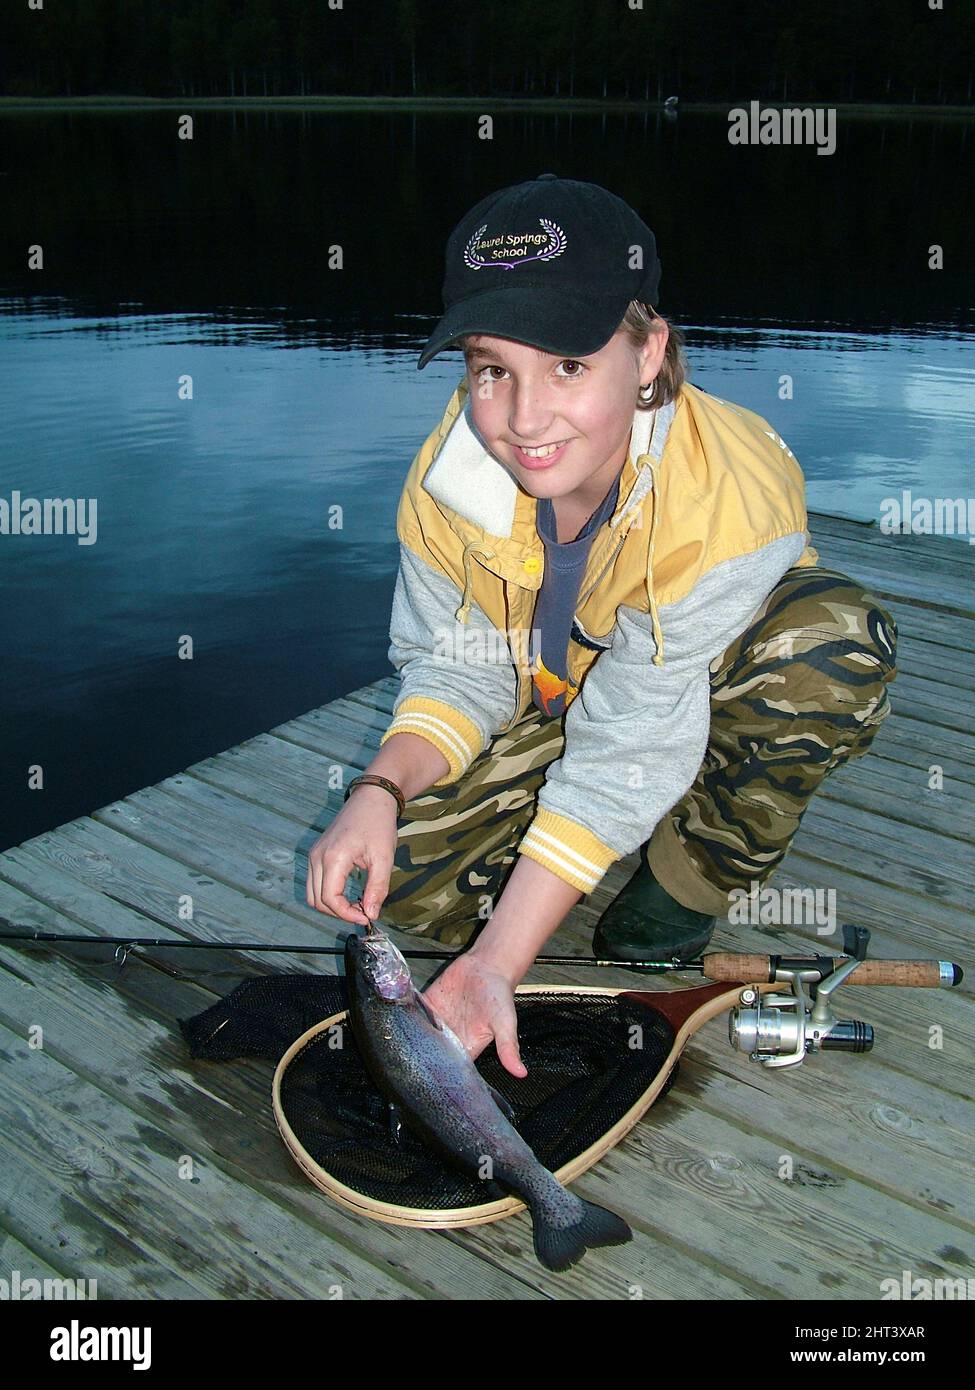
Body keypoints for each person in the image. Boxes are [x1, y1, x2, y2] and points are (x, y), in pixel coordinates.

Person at [306, 174, 897, 1080]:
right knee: (406, 878)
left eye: (569, 365)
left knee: (829, 648)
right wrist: (378, 789)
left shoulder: (722, 501)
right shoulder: (449, 478)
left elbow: (628, 746)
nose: (524, 418)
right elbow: (456, 667)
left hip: (698, 687)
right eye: (491, 368)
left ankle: (684, 880)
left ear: (649, 351)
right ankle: (549, 858)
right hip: (563, 696)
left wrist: (498, 964)